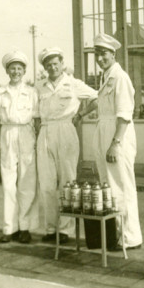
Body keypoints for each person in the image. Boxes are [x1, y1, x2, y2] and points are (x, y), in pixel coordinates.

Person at [35, 47, 98, 243]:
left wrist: (80, 115)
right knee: (46, 183)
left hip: (66, 129)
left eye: (55, 63)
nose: (52, 67)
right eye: (48, 64)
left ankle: (64, 230)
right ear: (44, 67)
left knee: (67, 181)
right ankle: (50, 228)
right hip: (45, 130)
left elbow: (96, 98)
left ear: (62, 64)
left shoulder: (73, 84)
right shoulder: (39, 86)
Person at [91, 33, 143, 250]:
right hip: (105, 131)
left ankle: (130, 237)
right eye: (97, 54)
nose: (100, 58)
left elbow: (124, 114)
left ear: (113, 54)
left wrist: (115, 143)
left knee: (122, 185)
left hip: (118, 134)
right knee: (110, 186)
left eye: (104, 54)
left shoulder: (120, 77)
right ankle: (118, 236)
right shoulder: (106, 77)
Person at [0, 50, 40, 243]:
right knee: (9, 183)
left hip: (26, 134)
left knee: (27, 182)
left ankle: (25, 228)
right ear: (7, 71)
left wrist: (36, 141)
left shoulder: (32, 92)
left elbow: (36, 120)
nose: (16, 72)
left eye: (19, 68)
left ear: (24, 70)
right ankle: (9, 229)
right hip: (7, 134)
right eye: (12, 68)